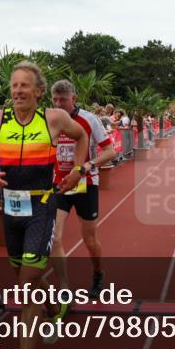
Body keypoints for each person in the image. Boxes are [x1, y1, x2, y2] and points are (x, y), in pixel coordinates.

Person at [0, 61, 89, 349]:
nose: (18, 91)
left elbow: (81, 137)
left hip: (41, 207)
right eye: (14, 85)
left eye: (24, 85)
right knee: (28, 278)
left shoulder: (54, 118)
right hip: (11, 212)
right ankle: (53, 309)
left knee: (25, 288)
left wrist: (78, 170)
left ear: (39, 91)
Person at [49, 79, 117, 311]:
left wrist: (87, 166)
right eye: (55, 100)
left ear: (74, 99)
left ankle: (98, 273)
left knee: (89, 240)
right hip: (59, 185)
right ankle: (64, 290)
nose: (59, 104)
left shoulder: (89, 120)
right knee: (55, 238)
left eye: (63, 100)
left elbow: (110, 151)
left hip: (85, 184)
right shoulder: (49, 119)